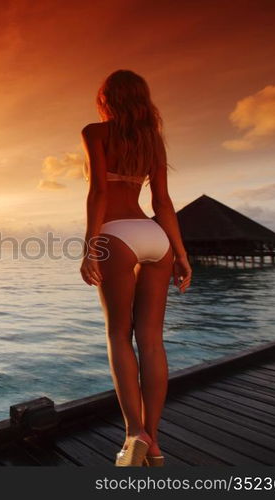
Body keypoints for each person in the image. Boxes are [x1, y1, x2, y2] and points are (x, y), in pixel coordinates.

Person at [80, 69, 192, 467]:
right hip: (153, 234)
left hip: (117, 235)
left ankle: (134, 433)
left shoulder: (96, 132)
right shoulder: (152, 141)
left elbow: (98, 191)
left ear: (107, 98)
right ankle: (155, 441)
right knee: (151, 340)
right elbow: (163, 202)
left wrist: (91, 245)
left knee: (118, 334)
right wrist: (180, 253)